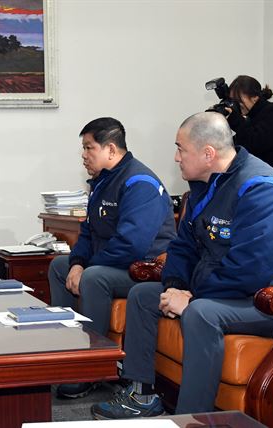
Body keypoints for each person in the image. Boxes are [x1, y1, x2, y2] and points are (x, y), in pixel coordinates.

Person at [91, 112, 273, 419]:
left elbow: (250, 269)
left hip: (265, 300)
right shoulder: (203, 186)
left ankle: (192, 418)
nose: (176, 157)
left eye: (181, 149)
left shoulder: (261, 188)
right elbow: (182, 248)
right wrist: (175, 286)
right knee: (143, 295)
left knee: (201, 313)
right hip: (222, 289)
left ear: (208, 154)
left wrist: (193, 296)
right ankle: (141, 396)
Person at [48, 117, 176, 399]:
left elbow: (131, 245)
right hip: (116, 263)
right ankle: (66, 354)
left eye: (88, 148)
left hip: (146, 268)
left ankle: (91, 368)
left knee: (94, 277)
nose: (83, 156)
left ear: (110, 149)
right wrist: (78, 262)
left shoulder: (139, 182)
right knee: (60, 265)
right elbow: (87, 231)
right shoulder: (102, 182)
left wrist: (88, 268)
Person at [225, 75, 273, 176]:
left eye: (239, 101)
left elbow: (255, 143)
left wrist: (236, 121)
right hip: (260, 177)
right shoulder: (249, 118)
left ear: (255, 97)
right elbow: (237, 147)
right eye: (233, 101)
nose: (236, 104)